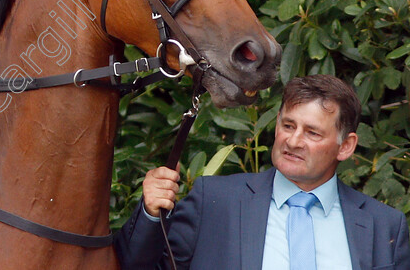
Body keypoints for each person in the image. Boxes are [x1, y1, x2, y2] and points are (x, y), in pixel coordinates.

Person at [115, 75, 410, 270]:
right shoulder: (215, 201)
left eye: (313, 133)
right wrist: (151, 214)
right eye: (288, 125)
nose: (293, 141)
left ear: (345, 147)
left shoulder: (385, 226)